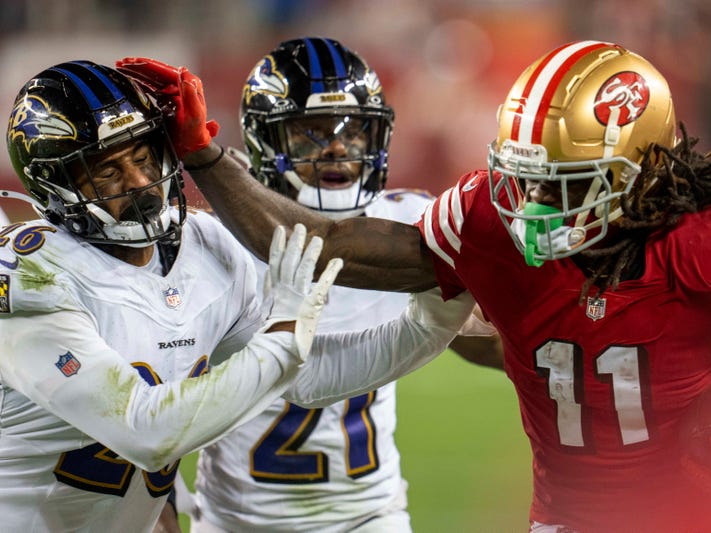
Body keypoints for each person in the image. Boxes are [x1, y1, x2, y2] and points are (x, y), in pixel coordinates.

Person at [118, 40, 711, 532]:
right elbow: (322, 246)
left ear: (641, 172)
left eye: (561, 185)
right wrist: (205, 151)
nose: (531, 206)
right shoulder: (487, 221)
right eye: (523, 177)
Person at [0, 59, 479, 533]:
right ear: (55, 186)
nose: (140, 183)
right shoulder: (30, 277)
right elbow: (145, 431)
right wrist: (281, 341)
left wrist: (430, 321)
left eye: (143, 157)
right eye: (106, 171)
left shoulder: (201, 245)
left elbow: (307, 375)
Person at [175, 37, 502, 533]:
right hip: (237, 521)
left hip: (370, 517)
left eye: (354, 131)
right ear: (267, 140)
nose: (336, 147)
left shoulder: (407, 221)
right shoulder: (215, 245)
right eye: (311, 131)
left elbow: (483, 341)